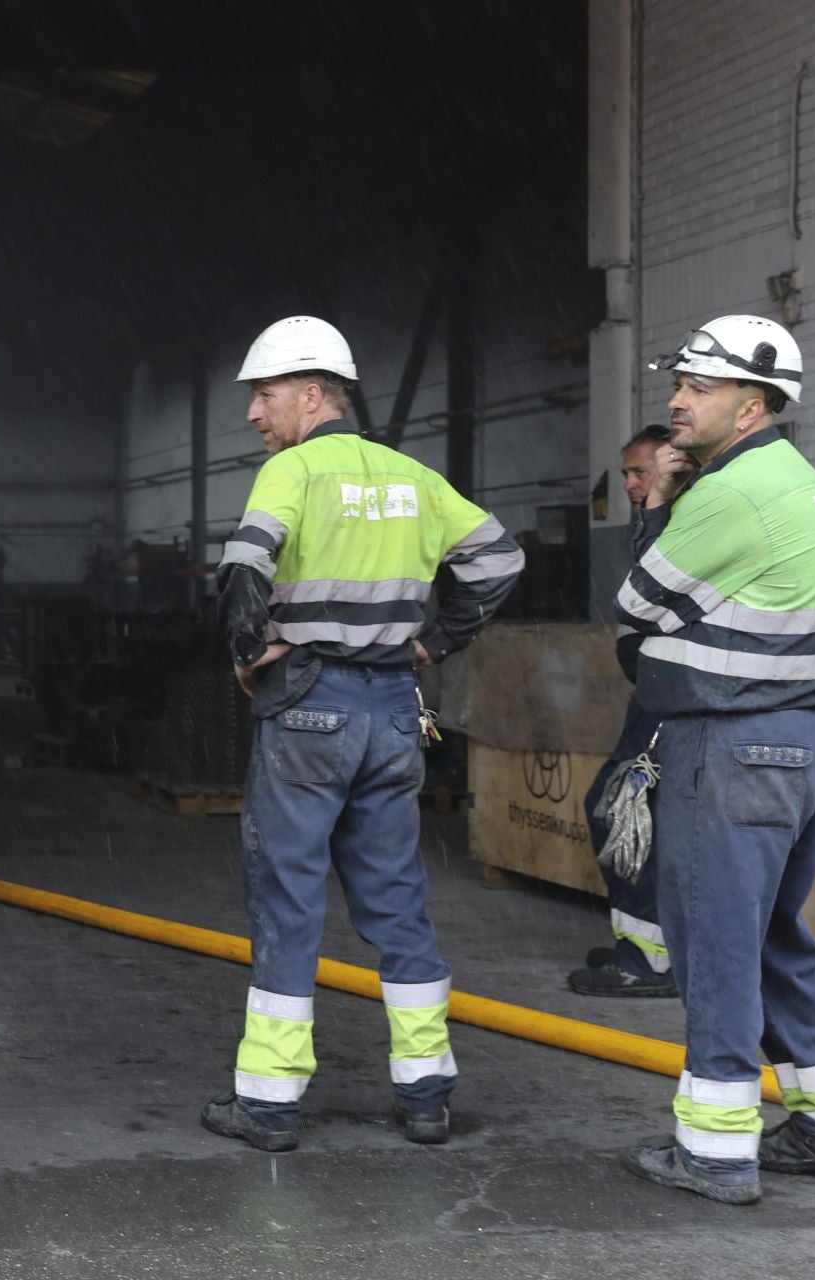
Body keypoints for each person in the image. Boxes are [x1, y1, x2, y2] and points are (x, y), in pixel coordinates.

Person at [204, 315, 525, 1152]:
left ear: (313, 395)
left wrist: (249, 654)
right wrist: (432, 642)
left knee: (288, 899)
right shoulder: (413, 476)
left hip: (309, 706)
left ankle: (270, 1103)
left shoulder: (293, 472)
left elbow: (243, 569)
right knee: (397, 904)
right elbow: (499, 560)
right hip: (391, 708)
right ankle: (426, 1095)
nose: (253, 414)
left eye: (264, 396)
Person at [615, 314, 815, 1204]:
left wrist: (662, 498)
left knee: (713, 941)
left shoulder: (730, 495)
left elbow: (635, 604)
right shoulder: (807, 485)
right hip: (807, 741)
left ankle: (714, 1149)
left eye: (700, 389)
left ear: (751, 409)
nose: (677, 401)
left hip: (734, 744)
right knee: (777, 938)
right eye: (683, 383)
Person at [567, 426, 681, 998]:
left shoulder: (682, 524)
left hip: (670, 702)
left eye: (641, 473)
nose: (631, 485)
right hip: (656, 696)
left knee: (619, 812)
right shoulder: (656, 524)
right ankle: (646, 948)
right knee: (633, 815)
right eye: (629, 474)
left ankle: (644, 960)